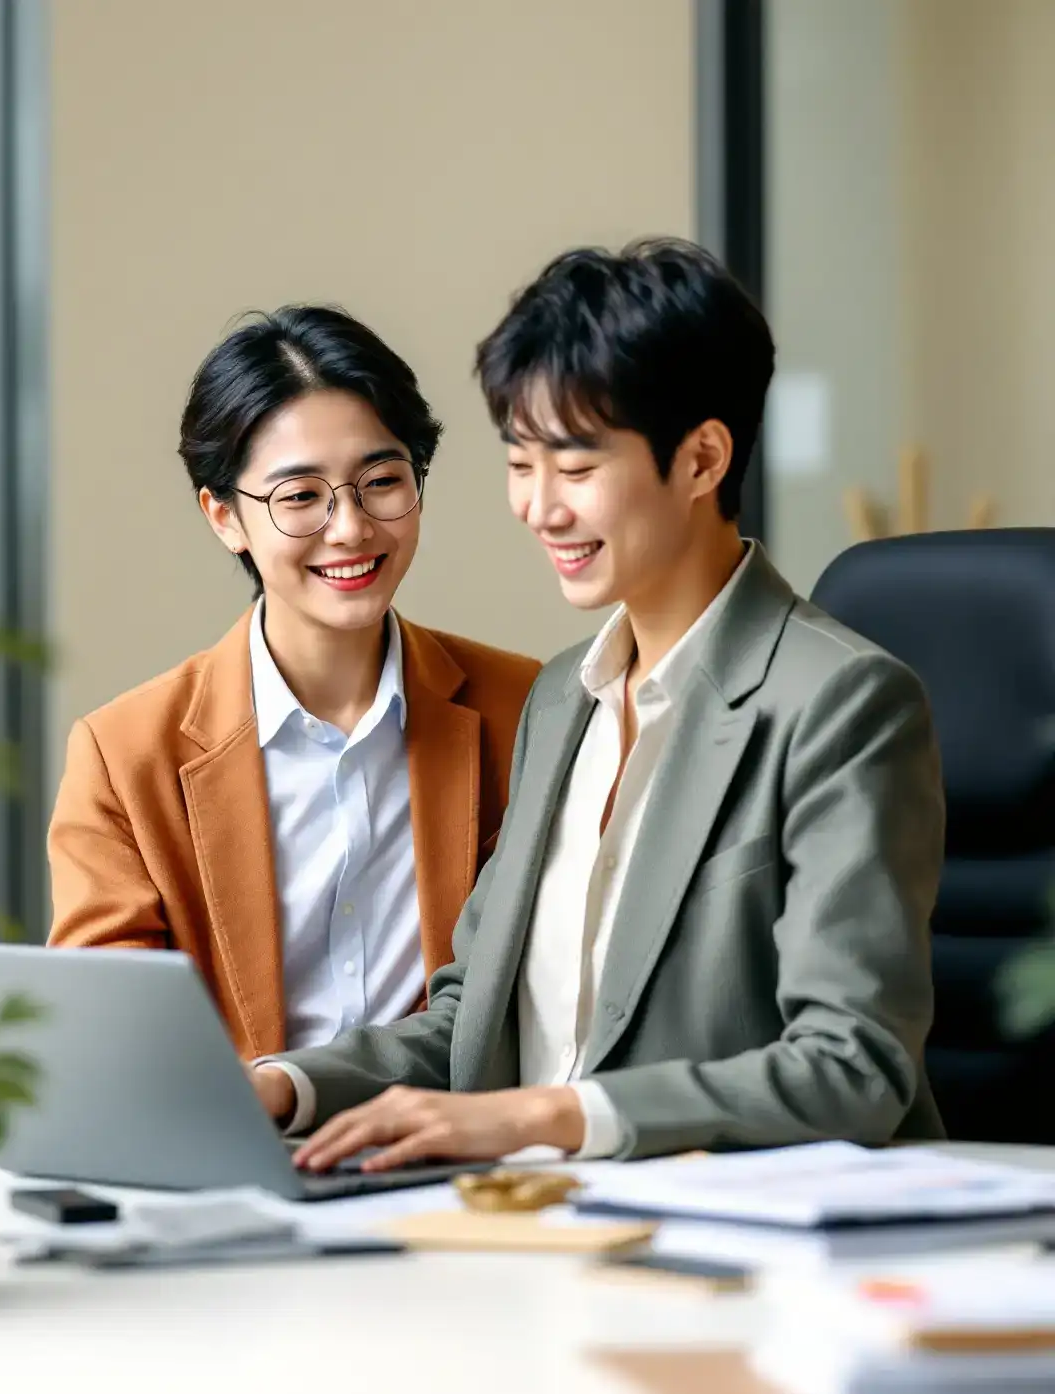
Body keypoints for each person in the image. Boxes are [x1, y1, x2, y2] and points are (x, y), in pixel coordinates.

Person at [251, 238, 947, 1164]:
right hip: (536, 1213)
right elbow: (475, 1018)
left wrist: (546, 1117)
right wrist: (284, 1084)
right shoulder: (561, 697)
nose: (539, 508)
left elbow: (852, 1067)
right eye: (520, 463)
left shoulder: (842, 702)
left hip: (726, 1223)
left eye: (575, 470)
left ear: (701, 460)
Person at [48, 306, 542, 1061]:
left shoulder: (524, 708)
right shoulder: (123, 756)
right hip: (233, 1128)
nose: (350, 528)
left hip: (453, 1125)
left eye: (382, 481)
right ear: (224, 517)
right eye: (301, 496)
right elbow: (114, 1037)